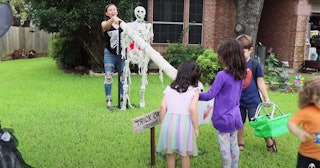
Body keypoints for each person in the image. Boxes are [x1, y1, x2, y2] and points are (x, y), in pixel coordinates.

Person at [199, 39, 247, 168]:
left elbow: (209, 95)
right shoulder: (241, 74)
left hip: (223, 118)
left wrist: (194, 94)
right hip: (235, 117)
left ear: (226, 57)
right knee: (234, 146)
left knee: (225, 151)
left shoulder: (222, 75)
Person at [236, 34, 276, 152]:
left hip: (253, 101)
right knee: (239, 122)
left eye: (242, 52)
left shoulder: (255, 64)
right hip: (238, 100)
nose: (240, 55)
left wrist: (266, 98)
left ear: (250, 50)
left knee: (258, 122)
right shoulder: (236, 65)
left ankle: (270, 142)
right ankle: (240, 143)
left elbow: (260, 82)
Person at [156, 60, 201, 168]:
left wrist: (164, 122)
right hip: (185, 125)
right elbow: (192, 109)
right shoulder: (195, 91)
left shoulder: (169, 89)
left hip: (169, 123)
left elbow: (162, 107)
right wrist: (196, 127)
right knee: (185, 155)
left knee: (171, 154)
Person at [287, 76, 320, 168]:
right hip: (308, 155)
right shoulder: (307, 112)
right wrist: (298, 132)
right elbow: (291, 123)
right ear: (311, 98)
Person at [101, 4, 125, 108]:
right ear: (107, 13)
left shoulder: (123, 24)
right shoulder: (105, 23)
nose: (112, 11)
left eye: (114, 9)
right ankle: (108, 99)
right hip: (110, 54)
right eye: (110, 10)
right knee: (109, 76)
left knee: (123, 77)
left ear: (117, 11)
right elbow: (105, 26)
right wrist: (113, 19)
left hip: (122, 54)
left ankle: (123, 97)